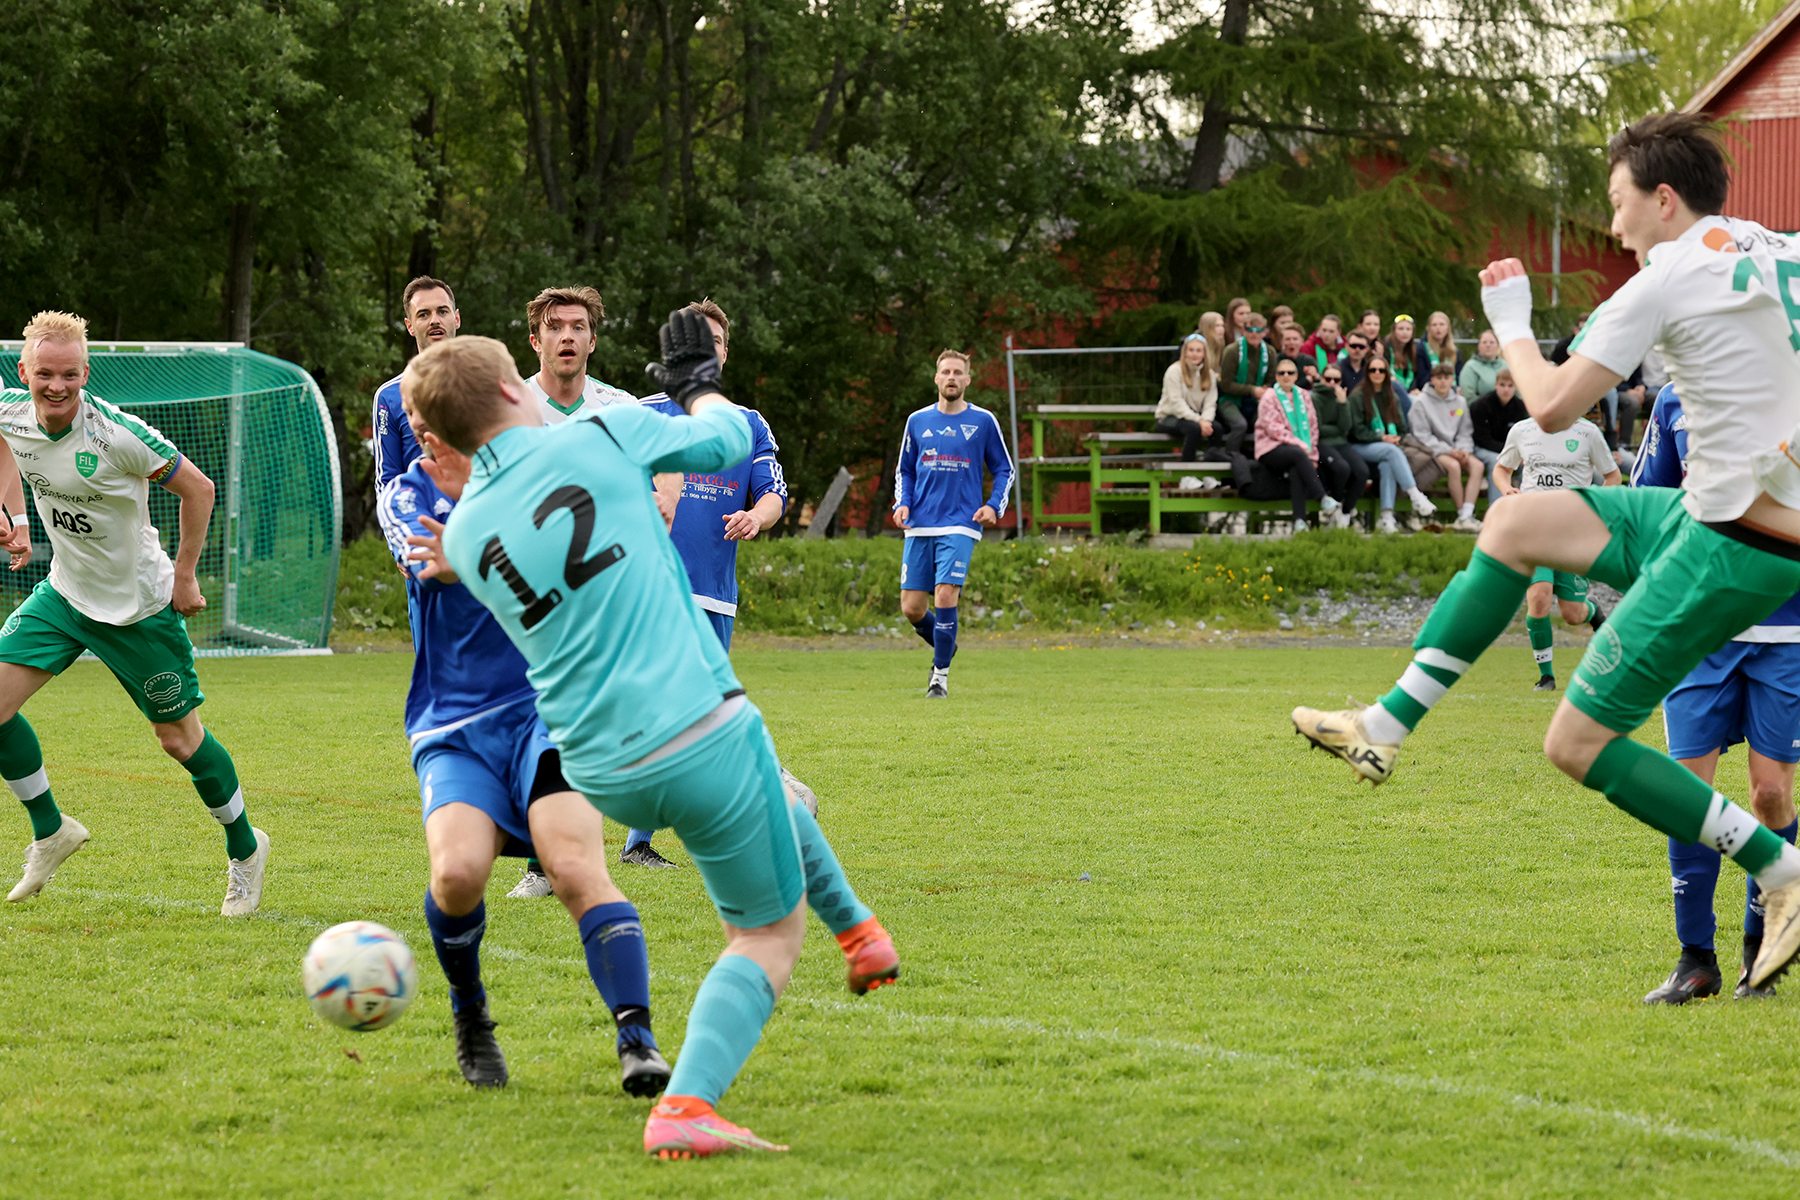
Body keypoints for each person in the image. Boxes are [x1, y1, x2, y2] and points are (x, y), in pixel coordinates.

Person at [1292, 111, 1800, 995]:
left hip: (1731, 545)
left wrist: (1512, 322)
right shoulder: (1778, 247)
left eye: (1617, 201)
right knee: (1515, 524)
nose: (1613, 224)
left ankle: (1783, 871)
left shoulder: (1669, 274)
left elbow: (1553, 406)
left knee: (1575, 742)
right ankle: (1383, 728)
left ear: (1664, 198)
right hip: (1712, 515)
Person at [406, 321, 899, 1159]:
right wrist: (698, 384)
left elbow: (487, 539)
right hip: (693, 730)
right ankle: (687, 1106)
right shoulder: (601, 432)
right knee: (766, 936)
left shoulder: (468, 533)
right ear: (513, 388)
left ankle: (859, 932)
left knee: (763, 788)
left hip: (599, 769)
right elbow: (729, 440)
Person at [377, 375, 669, 1095]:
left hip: (552, 710)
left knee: (573, 866)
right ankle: (470, 1012)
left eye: (432, 418)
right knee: (456, 875)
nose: (421, 432)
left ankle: (637, 1039)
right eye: (415, 420)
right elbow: (428, 561)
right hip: (456, 723)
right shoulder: (407, 493)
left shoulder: (542, 479)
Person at [0, 312, 268, 915]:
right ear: (24, 372)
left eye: (70, 374)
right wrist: (13, 515)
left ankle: (246, 851)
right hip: (65, 596)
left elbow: (199, 489)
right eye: (45, 374)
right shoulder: (12, 412)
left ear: (85, 373)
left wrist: (186, 574)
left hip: (138, 609)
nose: (57, 386)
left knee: (179, 740)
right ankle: (51, 831)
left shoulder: (116, 435)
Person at [1632, 382, 1800, 1004]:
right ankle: (1695, 961)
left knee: (1770, 793)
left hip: (1787, 631)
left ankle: (1762, 954)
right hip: (1698, 628)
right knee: (1685, 796)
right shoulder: (1676, 397)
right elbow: (1648, 502)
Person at [508, 285, 677, 891]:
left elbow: (667, 459)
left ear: (592, 340)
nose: (567, 336)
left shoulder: (619, 407)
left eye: (577, 327)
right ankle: (545, 860)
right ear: (536, 340)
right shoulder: (510, 405)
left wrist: (665, 498)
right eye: (555, 327)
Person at [641, 299, 818, 858]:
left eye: (716, 341)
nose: (709, 349)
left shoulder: (747, 423)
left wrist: (755, 517)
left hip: (714, 594)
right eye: (700, 339)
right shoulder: (642, 414)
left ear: (724, 354)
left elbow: (774, 494)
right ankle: (771, 785)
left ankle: (641, 842)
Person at [894, 350, 1014, 699]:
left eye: (957, 372)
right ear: (936, 378)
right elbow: (905, 470)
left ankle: (939, 677)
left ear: (967, 380)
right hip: (920, 523)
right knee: (912, 608)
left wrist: (993, 506)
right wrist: (902, 503)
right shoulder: (917, 420)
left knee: (946, 594)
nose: (951, 377)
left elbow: (1004, 469)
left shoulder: (983, 421)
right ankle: (946, 643)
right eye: (945, 372)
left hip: (961, 522)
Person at [1491, 408, 1616, 689]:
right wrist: (1507, 489)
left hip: (1573, 532)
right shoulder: (1522, 430)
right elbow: (1501, 469)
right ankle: (1546, 676)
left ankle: (1592, 611)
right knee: (1539, 596)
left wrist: (1594, 505)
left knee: (1572, 613)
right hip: (1533, 526)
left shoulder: (1587, 433)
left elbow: (1613, 477)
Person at [374, 275, 460, 487]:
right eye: (423, 314)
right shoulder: (389, 396)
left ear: (456, 318)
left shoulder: (486, 384)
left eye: (442, 311)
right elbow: (387, 481)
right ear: (410, 326)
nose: (434, 320)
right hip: (420, 508)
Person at [1345, 359, 1438, 533]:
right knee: (1390, 451)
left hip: (1387, 447)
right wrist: (1382, 438)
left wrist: (1395, 438)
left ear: (1387, 374)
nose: (1377, 373)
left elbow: (1402, 428)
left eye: (1381, 370)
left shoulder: (1392, 396)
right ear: (1367, 373)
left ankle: (1386, 517)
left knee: (1388, 465)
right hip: (1359, 445)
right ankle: (1415, 495)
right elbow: (1355, 431)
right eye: (1373, 370)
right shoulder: (1357, 396)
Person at [1255, 358, 1339, 531]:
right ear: (1276, 377)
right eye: (1282, 373)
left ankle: (1299, 521)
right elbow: (1274, 429)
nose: (1286, 376)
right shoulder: (1269, 397)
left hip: (1299, 452)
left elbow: (1313, 426)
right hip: (1271, 448)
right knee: (1298, 455)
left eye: (1290, 372)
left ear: (1296, 376)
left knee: (1297, 470)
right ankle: (1322, 497)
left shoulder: (1304, 395)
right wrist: (1301, 446)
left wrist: (1311, 451)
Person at [1407, 362, 1485, 532]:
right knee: (1453, 466)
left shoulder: (1460, 402)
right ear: (1432, 380)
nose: (1443, 382)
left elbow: (1465, 431)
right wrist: (1449, 451)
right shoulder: (1421, 402)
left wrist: (1464, 450)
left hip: (1458, 449)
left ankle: (1467, 514)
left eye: (1447, 378)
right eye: (1439, 378)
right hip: (1432, 450)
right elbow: (1422, 435)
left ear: (1453, 380)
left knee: (1478, 466)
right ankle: (1461, 515)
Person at [1310, 364, 1368, 527]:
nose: (1332, 383)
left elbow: (1346, 426)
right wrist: (1337, 428)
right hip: (1321, 443)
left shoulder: (1342, 397)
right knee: (1342, 468)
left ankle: (1345, 511)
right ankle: (1335, 507)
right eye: (1328, 379)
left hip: (1341, 443)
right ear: (1322, 379)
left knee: (1362, 472)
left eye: (1336, 380)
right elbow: (1318, 428)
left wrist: (1343, 403)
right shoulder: (1314, 398)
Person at [1217, 313, 1275, 447]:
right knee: (1240, 425)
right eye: (1250, 329)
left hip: (1257, 400)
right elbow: (1226, 385)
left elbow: (1271, 380)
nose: (1254, 334)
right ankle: (1231, 453)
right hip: (1231, 399)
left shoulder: (1270, 352)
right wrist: (1252, 389)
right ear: (1243, 331)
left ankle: (1261, 455)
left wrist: (1265, 389)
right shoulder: (1232, 351)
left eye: (1258, 330)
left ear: (1264, 332)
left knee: (1266, 422)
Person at [1470, 368, 1527, 502]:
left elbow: (1523, 437)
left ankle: (1526, 504)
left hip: (1510, 450)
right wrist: (1508, 454)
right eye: (1502, 385)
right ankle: (1497, 505)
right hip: (1482, 449)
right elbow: (1482, 439)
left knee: (1528, 461)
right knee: (1497, 462)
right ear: (1496, 385)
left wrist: (1520, 454)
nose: (1506, 390)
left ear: (1516, 387)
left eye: (1510, 386)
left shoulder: (1521, 407)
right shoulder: (1481, 405)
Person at [1156, 334, 1216, 462]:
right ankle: (1187, 469)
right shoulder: (1174, 371)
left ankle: (1210, 466)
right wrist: (1199, 421)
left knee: (1216, 428)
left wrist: (1206, 421)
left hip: (1196, 417)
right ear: (1185, 352)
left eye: (1198, 351)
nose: (1194, 354)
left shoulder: (1209, 374)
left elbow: (1210, 403)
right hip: (1170, 417)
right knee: (1194, 429)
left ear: (1204, 354)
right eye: (1191, 350)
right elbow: (1176, 403)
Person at [1460, 329, 1507, 403]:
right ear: (1478, 346)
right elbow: (1468, 396)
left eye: (1492, 342)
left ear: (1498, 346)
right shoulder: (1471, 367)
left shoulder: (1506, 365)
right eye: (1484, 342)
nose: (1488, 345)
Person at [1384, 314, 1424, 394]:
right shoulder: (1386, 348)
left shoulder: (1414, 350)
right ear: (1394, 331)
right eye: (1401, 329)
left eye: (1408, 329)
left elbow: (1414, 375)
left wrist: (1413, 389)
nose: (1405, 332)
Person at [1420, 311, 1461, 387]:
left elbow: (1458, 375)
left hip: (1452, 389)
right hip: (1429, 388)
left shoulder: (1454, 350)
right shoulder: (1422, 349)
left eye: (1442, 324)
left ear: (1448, 328)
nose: (1438, 328)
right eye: (1434, 325)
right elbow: (1421, 377)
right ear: (1429, 328)